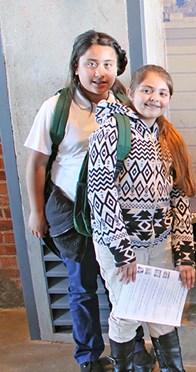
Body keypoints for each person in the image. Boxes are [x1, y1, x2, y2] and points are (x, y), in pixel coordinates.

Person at [23, 30, 152, 372]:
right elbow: (36, 163)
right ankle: (88, 358)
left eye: (108, 64)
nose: (100, 72)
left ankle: (133, 349)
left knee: (123, 283)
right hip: (71, 212)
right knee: (82, 289)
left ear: (118, 67)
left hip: (116, 214)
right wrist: (36, 212)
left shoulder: (128, 105)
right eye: (91, 63)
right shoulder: (56, 107)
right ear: (76, 66)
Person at [87, 64, 196, 371]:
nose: (154, 98)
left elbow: (180, 198)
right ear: (132, 92)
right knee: (126, 313)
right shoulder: (110, 131)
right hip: (120, 247)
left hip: (159, 244)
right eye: (147, 90)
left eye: (162, 92)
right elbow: (101, 194)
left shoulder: (168, 139)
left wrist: (184, 254)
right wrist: (123, 253)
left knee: (162, 313)